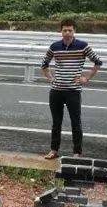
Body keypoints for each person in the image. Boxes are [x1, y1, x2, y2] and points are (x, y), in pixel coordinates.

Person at [41, 18, 102, 159]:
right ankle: (54, 150)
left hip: (73, 91)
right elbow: (44, 64)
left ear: (74, 31)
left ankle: (77, 152)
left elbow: (98, 62)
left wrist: (86, 78)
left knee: (76, 122)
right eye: (65, 30)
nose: (67, 33)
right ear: (60, 31)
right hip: (56, 90)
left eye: (70, 30)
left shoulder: (82, 46)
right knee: (56, 122)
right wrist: (51, 78)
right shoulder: (55, 46)